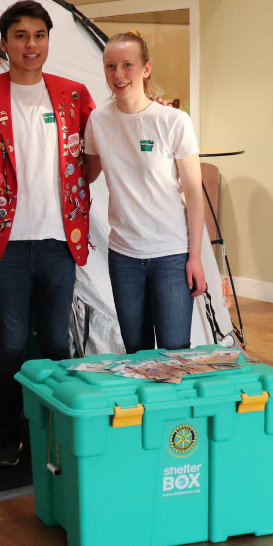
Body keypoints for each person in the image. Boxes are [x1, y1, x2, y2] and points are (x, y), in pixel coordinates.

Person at [0, 0, 96, 467]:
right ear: (4, 42)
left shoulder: (72, 94)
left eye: (40, 35)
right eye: (21, 36)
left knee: (55, 342)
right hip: (6, 241)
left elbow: (92, 158)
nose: (31, 44)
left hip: (59, 241)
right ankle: (10, 432)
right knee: (9, 342)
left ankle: (54, 430)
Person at [84, 31, 206, 355]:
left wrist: (195, 257)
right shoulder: (97, 120)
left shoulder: (174, 121)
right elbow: (84, 174)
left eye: (128, 65)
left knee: (174, 352)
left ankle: (176, 409)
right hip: (123, 256)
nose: (119, 75)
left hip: (171, 254)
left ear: (146, 68)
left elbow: (195, 193)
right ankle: (144, 408)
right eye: (110, 66)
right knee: (137, 354)